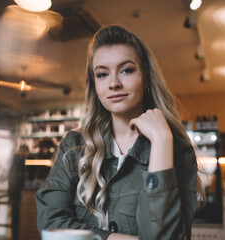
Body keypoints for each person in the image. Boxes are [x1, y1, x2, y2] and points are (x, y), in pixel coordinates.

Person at [36, 24, 204, 240]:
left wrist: (162, 141)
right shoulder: (74, 147)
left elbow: (166, 236)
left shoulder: (176, 147)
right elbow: (51, 224)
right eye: (102, 74)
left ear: (145, 78)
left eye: (126, 70)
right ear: (95, 86)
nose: (114, 83)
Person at [8, 145, 29, 240]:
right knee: (17, 218)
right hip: (17, 194)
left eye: (25, 151)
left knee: (17, 218)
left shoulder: (20, 161)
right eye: (22, 151)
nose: (24, 153)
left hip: (15, 194)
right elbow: (14, 179)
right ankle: (16, 237)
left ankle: (16, 236)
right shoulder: (18, 161)